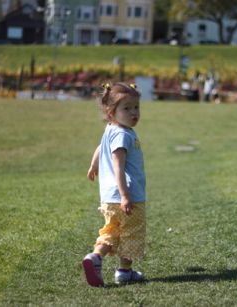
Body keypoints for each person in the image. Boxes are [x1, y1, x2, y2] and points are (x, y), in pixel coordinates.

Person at [83, 82, 146, 287]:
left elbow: (101, 147)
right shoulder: (123, 134)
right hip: (128, 196)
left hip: (109, 198)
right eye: (126, 108)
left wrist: (94, 165)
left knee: (111, 231)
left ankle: (95, 257)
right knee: (132, 232)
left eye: (136, 107)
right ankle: (124, 271)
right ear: (111, 112)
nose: (133, 112)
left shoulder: (111, 129)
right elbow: (119, 166)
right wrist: (126, 195)